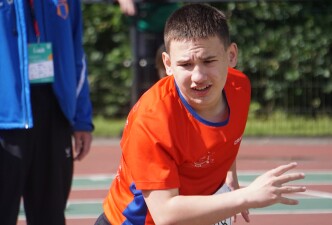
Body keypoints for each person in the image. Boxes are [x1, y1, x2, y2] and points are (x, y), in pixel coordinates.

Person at [95, 4, 306, 225]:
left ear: (231, 55)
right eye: (185, 64)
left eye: (208, 61)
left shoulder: (239, 87)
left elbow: (227, 137)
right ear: (167, 64)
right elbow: (166, 214)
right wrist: (245, 197)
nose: (198, 76)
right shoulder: (152, 120)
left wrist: (230, 176)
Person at [0, 1, 94, 225]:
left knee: (50, 216)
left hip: (54, 112)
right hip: (6, 118)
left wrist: (81, 118)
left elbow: (76, 52)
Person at [116, 0, 180, 105]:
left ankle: (173, 106)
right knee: (143, 71)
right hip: (141, 25)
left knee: (171, 71)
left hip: (169, 23)